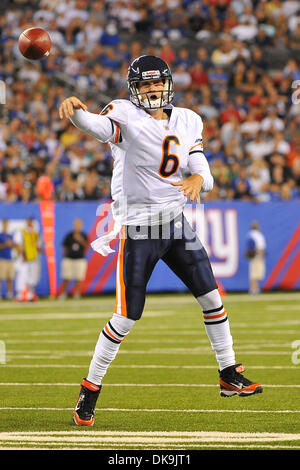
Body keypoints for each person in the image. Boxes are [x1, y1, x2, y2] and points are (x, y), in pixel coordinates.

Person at [59, 55, 262, 427]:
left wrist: (199, 180)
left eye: (157, 83)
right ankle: (90, 390)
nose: (153, 90)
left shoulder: (188, 119)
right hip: (139, 228)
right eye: (145, 84)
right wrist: (75, 114)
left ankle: (229, 372)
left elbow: (203, 170)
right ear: (134, 89)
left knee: (212, 297)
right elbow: (98, 127)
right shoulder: (124, 115)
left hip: (175, 223)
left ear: (167, 83)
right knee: (126, 316)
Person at [59, 218, 89, 300]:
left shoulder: (83, 235)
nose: (77, 226)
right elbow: (64, 247)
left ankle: (77, 294)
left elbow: (87, 246)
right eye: (76, 224)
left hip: (80, 259)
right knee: (66, 277)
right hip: (69, 258)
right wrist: (65, 255)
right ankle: (63, 293)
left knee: (79, 278)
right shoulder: (69, 235)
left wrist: (80, 240)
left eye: (79, 225)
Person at [14, 216, 42, 302]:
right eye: (29, 221)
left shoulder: (34, 233)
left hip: (32, 258)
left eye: (32, 221)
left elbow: (37, 245)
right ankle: (19, 296)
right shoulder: (21, 231)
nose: (31, 223)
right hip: (24, 258)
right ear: (27, 222)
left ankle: (30, 295)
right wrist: (22, 255)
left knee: (32, 277)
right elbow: (18, 244)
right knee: (22, 276)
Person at [245, 221, 266, 295]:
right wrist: (261, 256)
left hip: (252, 256)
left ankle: (254, 288)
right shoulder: (258, 235)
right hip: (257, 256)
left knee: (253, 273)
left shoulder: (250, 234)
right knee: (255, 273)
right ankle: (254, 289)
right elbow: (261, 247)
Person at [0, 219, 15, 300]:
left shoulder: (10, 236)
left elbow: (13, 245)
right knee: (0, 277)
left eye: (7, 224)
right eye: (5, 224)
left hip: (9, 259)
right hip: (2, 259)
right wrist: (6, 244)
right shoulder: (0, 235)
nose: (6, 225)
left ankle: (9, 294)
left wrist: (12, 244)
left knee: (10, 278)